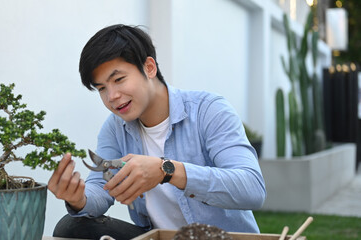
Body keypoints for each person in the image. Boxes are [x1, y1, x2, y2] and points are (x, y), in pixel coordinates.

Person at [48, 24, 266, 240]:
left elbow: (253, 189)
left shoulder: (208, 110)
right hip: (157, 236)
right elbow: (99, 189)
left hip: (220, 237)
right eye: (102, 88)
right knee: (71, 227)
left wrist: (167, 170)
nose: (112, 96)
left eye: (119, 79)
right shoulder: (115, 127)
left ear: (149, 68)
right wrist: (78, 198)